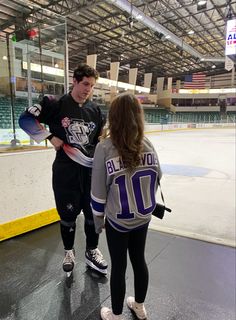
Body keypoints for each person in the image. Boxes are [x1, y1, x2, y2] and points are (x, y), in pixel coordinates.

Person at [19, 64, 108, 276]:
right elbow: (25, 119)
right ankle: (69, 252)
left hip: (90, 173)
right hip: (65, 172)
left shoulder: (95, 111)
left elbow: (99, 141)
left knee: (93, 215)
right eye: (85, 84)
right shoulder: (54, 104)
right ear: (74, 82)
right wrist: (50, 137)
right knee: (67, 216)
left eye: (92, 86)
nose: (88, 89)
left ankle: (92, 250)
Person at [91, 93, 162, 320]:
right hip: (143, 217)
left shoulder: (104, 147)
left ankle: (117, 314)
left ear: (114, 117)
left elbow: (98, 193)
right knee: (139, 260)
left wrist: (98, 221)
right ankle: (139, 307)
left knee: (119, 267)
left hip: (118, 221)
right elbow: (157, 175)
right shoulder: (148, 144)